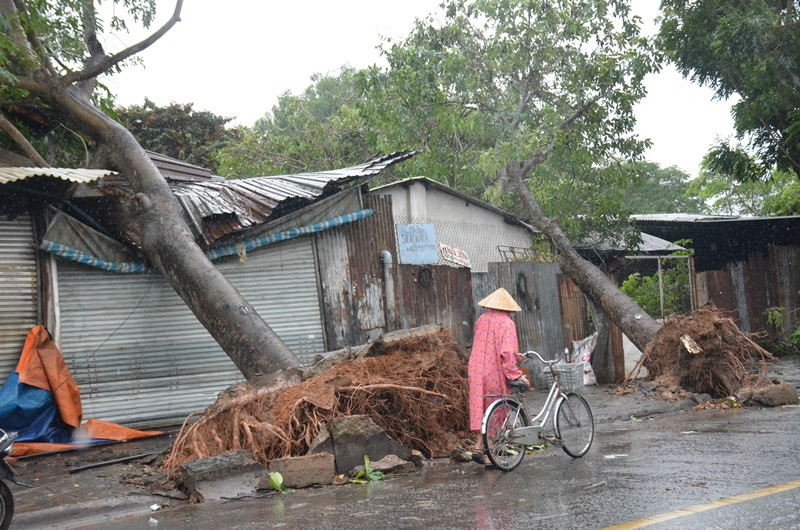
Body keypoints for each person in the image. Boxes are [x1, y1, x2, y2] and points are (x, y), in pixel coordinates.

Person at [468, 287, 529, 467]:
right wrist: (517, 374)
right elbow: (506, 353)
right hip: (493, 372)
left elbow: (488, 347)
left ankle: (479, 449)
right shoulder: (507, 323)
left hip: (476, 369)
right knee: (497, 411)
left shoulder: (481, 320)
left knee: (483, 410)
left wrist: (514, 356)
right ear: (508, 308)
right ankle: (491, 454)